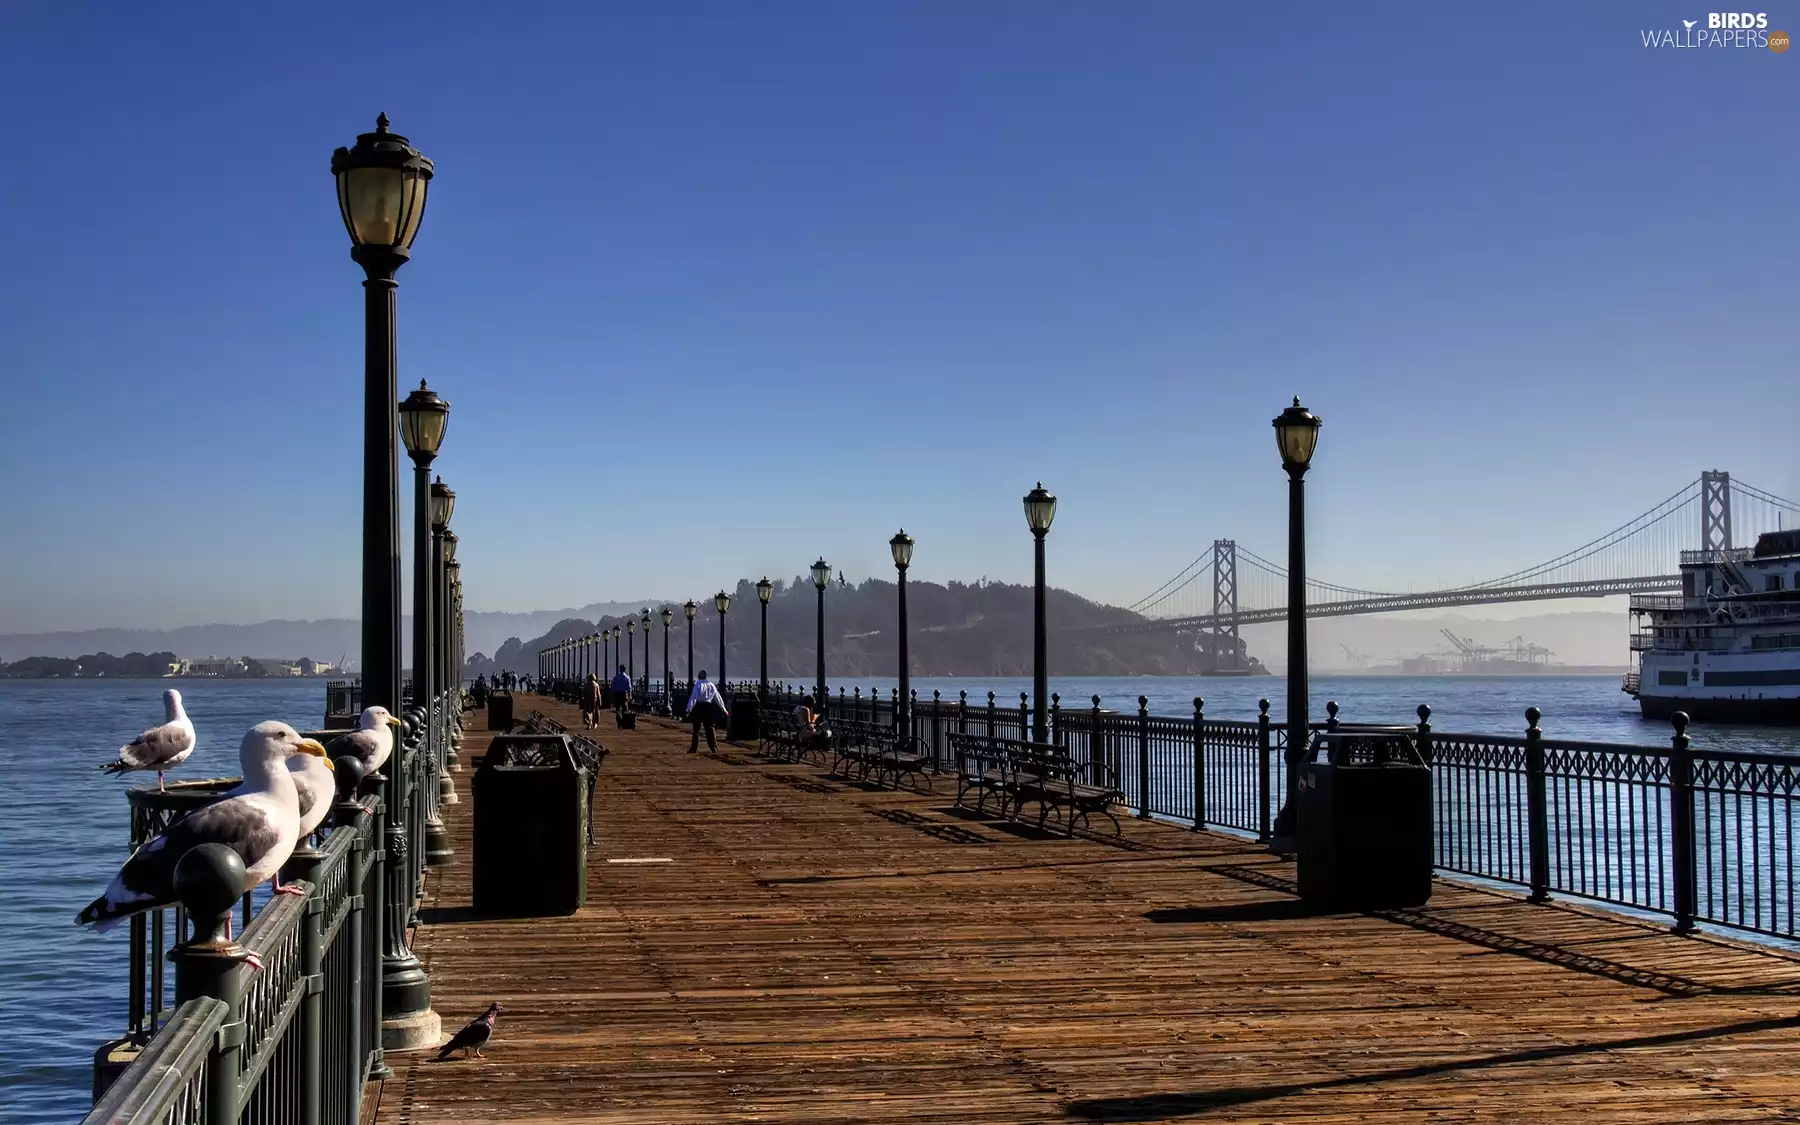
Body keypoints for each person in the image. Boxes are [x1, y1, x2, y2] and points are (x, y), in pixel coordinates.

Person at [686, 671, 729, 754]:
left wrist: (688, 709)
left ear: (699, 676)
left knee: (696, 729)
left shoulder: (698, 685)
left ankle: (694, 748)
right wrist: (723, 709)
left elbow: (693, 698)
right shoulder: (711, 685)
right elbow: (717, 697)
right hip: (708, 707)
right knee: (710, 728)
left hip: (699, 706)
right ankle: (713, 748)